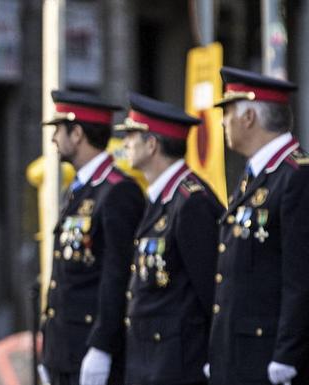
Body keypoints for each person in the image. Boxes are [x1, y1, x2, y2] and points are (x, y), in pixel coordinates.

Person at [207, 67, 309, 385]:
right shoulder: (256, 174)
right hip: (238, 354)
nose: (224, 122)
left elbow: (301, 277)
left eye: (228, 113)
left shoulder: (295, 175)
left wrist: (287, 355)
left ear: (249, 116)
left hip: (268, 358)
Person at [114, 93, 223, 385]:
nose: (125, 144)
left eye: (132, 135)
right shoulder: (161, 198)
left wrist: (217, 359)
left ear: (152, 145)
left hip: (177, 366)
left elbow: (212, 292)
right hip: (150, 362)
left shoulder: (191, 202)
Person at [40, 90, 145, 385]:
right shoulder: (77, 188)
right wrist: (50, 349)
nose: (53, 140)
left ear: (77, 134)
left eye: (58, 130)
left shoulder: (117, 190)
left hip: (90, 348)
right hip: (65, 348)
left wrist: (102, 345)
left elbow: (117, 275)